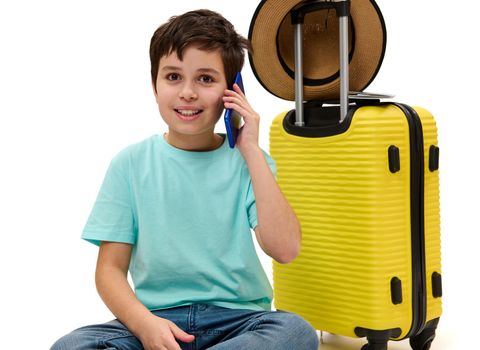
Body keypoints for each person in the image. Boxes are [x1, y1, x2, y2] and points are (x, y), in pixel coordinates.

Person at [50, 9, 319, 350]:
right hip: (155, 321)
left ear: (232, 90)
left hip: (238, 322)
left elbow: (285, 249)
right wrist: (145, 326)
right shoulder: (129, 164)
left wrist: (250, 148)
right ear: (154, 85)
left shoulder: (250, 163)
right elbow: (109, 272)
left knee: (295, 332)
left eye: (205, 79)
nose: (188, 92)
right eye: (173, 77)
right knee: (72, 345)